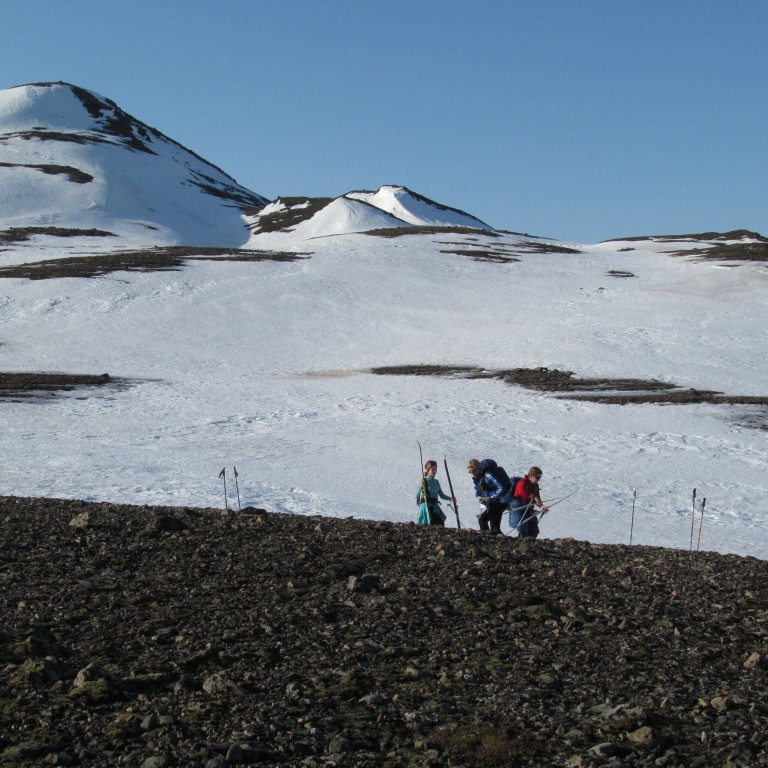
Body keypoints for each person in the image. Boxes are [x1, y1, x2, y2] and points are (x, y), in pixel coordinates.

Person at [467, 458, 509, 534]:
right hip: (493, 503)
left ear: (479, 468)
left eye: (474, 471)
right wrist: (479, 497)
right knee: (495, 528)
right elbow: (478, 489)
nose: (473, 474)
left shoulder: (488, 475)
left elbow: (501, 488)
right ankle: (499, 542)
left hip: (500, 502)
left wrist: (490, 497)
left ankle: (486, 540)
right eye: (470, 472)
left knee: (482, 520)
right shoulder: (477, 478)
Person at [508, 466, 549, 538]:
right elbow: (523, 494)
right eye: (537, 477)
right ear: (532, 476)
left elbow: (537, 498)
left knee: (534, 531)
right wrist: (534, 497)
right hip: (519, 508)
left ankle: (529, 545)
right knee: (523, 530)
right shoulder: (522, 483)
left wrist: (541, 506)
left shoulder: (535, 485)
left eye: (539, 478)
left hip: (528, 509)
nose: (538, 480)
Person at [416, 460, 454, 526]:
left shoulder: (436, 482)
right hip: (426, 507)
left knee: (440, 524)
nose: (434, 471)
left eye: (435, 469)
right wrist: (421, 486)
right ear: (428, 470)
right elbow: (416, 494)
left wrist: (450, 498)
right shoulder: (424, 481)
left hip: (435, 507)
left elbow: (441, 495)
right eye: (432, 469)